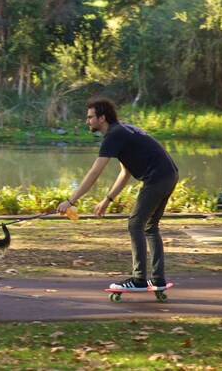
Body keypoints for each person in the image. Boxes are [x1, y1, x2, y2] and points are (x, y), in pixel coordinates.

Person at [57, 97, 179, 291]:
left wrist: (70, 200)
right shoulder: (122, 130)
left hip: (157, 178)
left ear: (102, 118)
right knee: (149, 227)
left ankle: (138, 279)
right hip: (170, 175)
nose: (87, 121)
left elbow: (95, 173)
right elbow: (126, 172)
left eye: (90, 117)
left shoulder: (114, 135)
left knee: (135, 225)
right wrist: (108, 199)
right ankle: (158, 279)